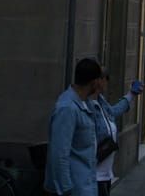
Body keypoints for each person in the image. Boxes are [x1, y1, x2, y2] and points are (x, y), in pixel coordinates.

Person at [44, 58, 105, 196]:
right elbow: (59, 153)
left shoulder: (86, 104)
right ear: (94, 82)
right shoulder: (67, 108)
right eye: (100, 79)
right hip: (74, 188)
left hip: (86, 184)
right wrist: (65, 189)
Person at [88, 69, 144, 196]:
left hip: (105, 174)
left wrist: (131, 94)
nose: (107, 84)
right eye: (106, 79)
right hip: (94, 177)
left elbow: (113, 112)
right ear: (99, 81)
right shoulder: (87, 107)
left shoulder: (101, 101)